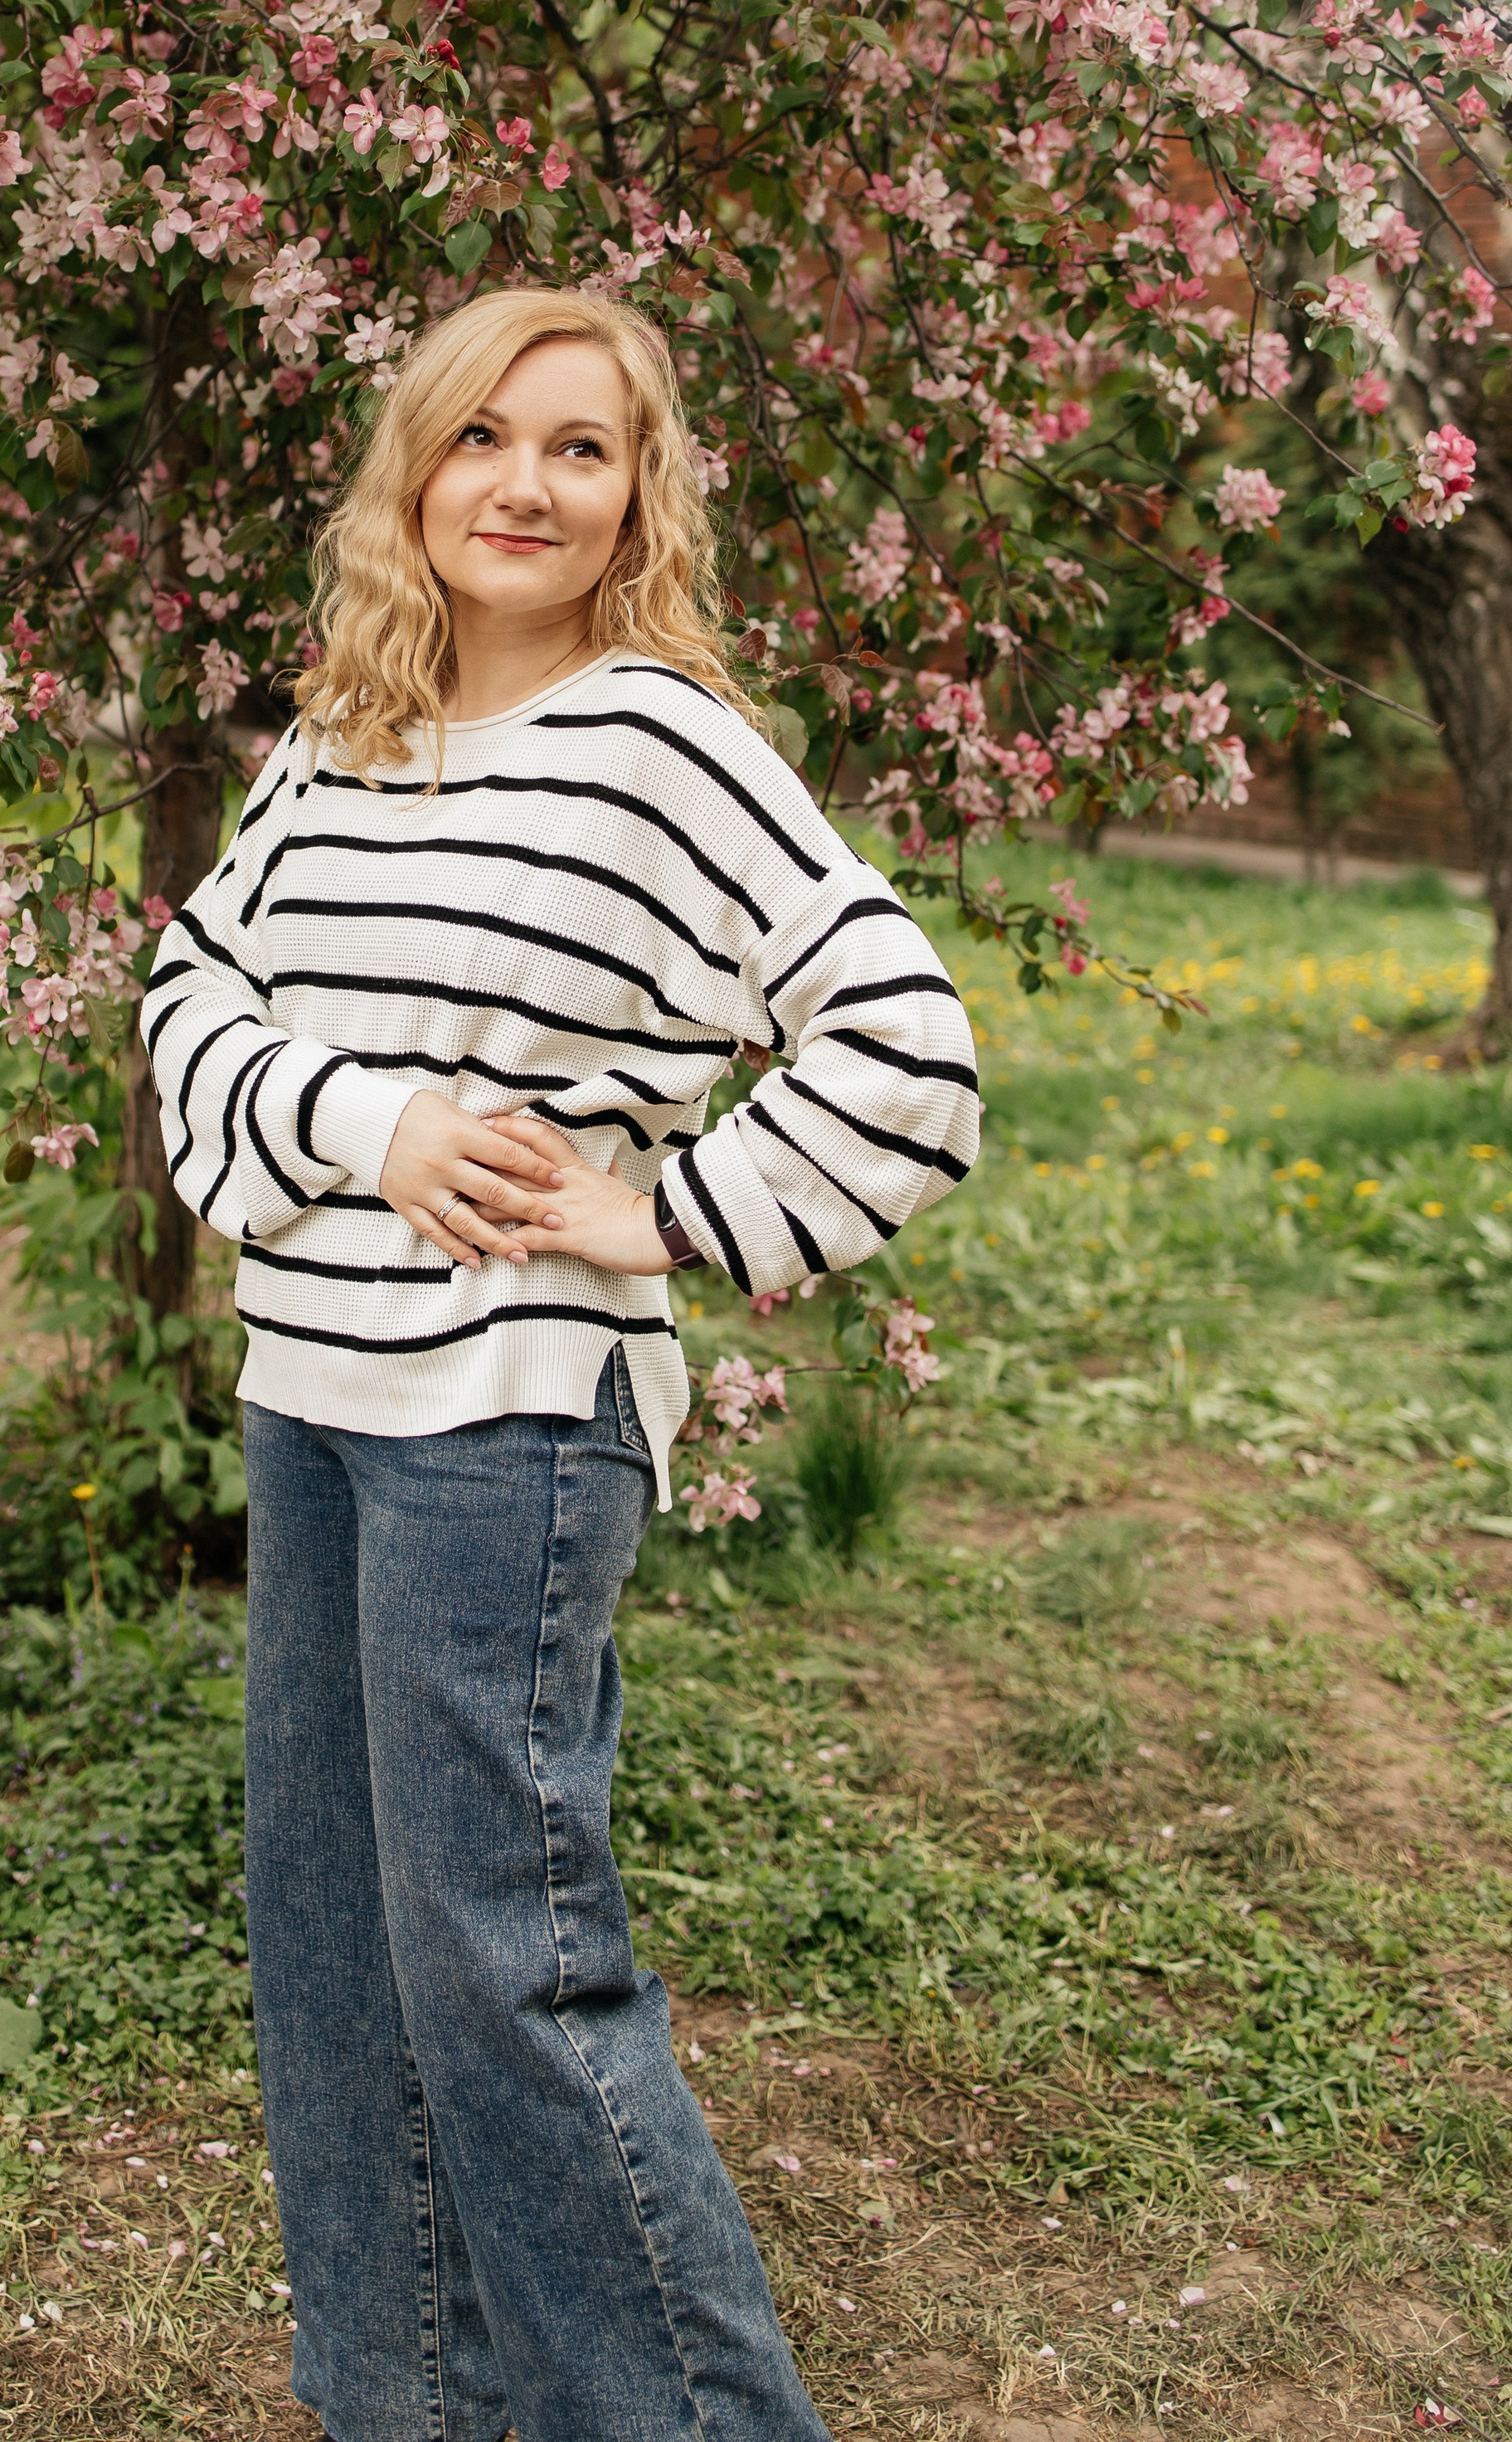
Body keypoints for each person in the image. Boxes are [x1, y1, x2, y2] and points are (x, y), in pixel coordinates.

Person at [139, 287, 979, 2442]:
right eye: (484, 435)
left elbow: (905, 1048)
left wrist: (659, 1209)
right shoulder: (341, 740)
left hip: (503, 1431)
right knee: (339, 1966)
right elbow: (189, 1000)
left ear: (638, 496)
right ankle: (402, 2409)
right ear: (416, 468)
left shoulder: (662, 745)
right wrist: (370, 1126)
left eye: (581, 448)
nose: (524, 482)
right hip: (312, 1395)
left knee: (508, 1973)